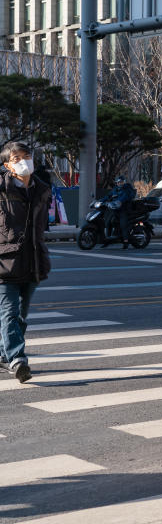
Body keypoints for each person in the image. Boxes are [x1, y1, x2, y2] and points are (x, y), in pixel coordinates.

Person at [0, 142, 51, 383]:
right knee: (9, 313)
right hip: (4, 263)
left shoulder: (42, 189)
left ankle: (3, 353)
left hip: (33, 261)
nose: (23, 161)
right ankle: (17, 359)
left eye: (26, 156)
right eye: (16, 157)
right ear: (7, 165)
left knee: (20, 315)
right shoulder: (1, 188)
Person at [103, 175, 135, 248]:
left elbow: (126, 196)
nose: (119, 184)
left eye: (121, 182)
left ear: (124, 182)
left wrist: (120, 201)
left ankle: (126, 242)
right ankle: (108, 240)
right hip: (115, 209)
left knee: (123, 225)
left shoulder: (127, 188)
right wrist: (100, 201)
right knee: (108, 222)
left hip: (124, 210)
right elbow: (108, 196)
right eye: (118, 182)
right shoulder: (115, 189)